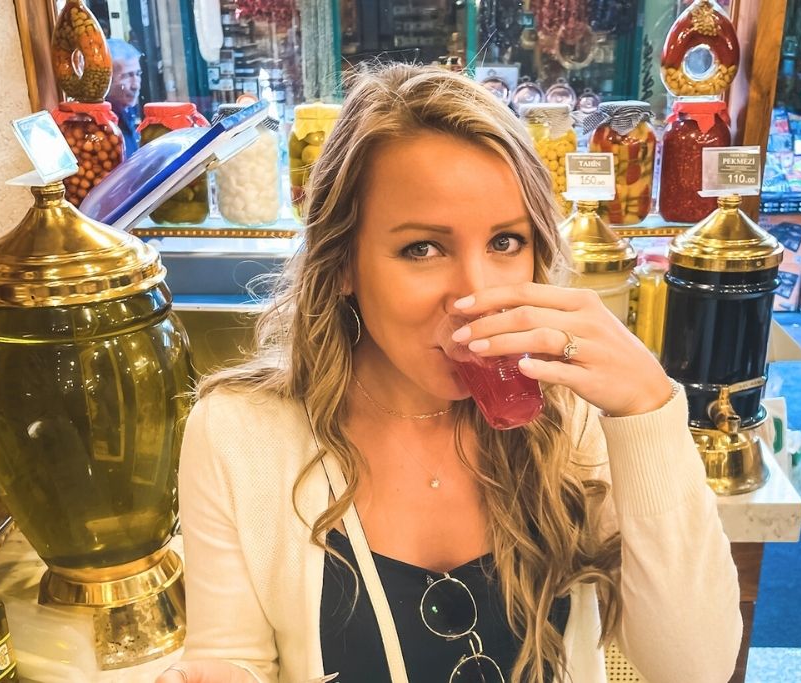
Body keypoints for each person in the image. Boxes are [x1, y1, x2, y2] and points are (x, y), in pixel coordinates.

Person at [157, 64, 742, 683]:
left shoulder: (572, 416)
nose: (476, 296)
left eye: (506, 242)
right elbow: (235, 658)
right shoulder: (238, 434)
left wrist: (647, 411)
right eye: (423, 249)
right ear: (343, 265)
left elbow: (695, 668)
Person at [105, 38, 142, 159]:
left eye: (138, 74)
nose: (135, 85)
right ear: (107, 80)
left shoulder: (128, 112)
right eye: (127, 76)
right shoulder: (104, 127)